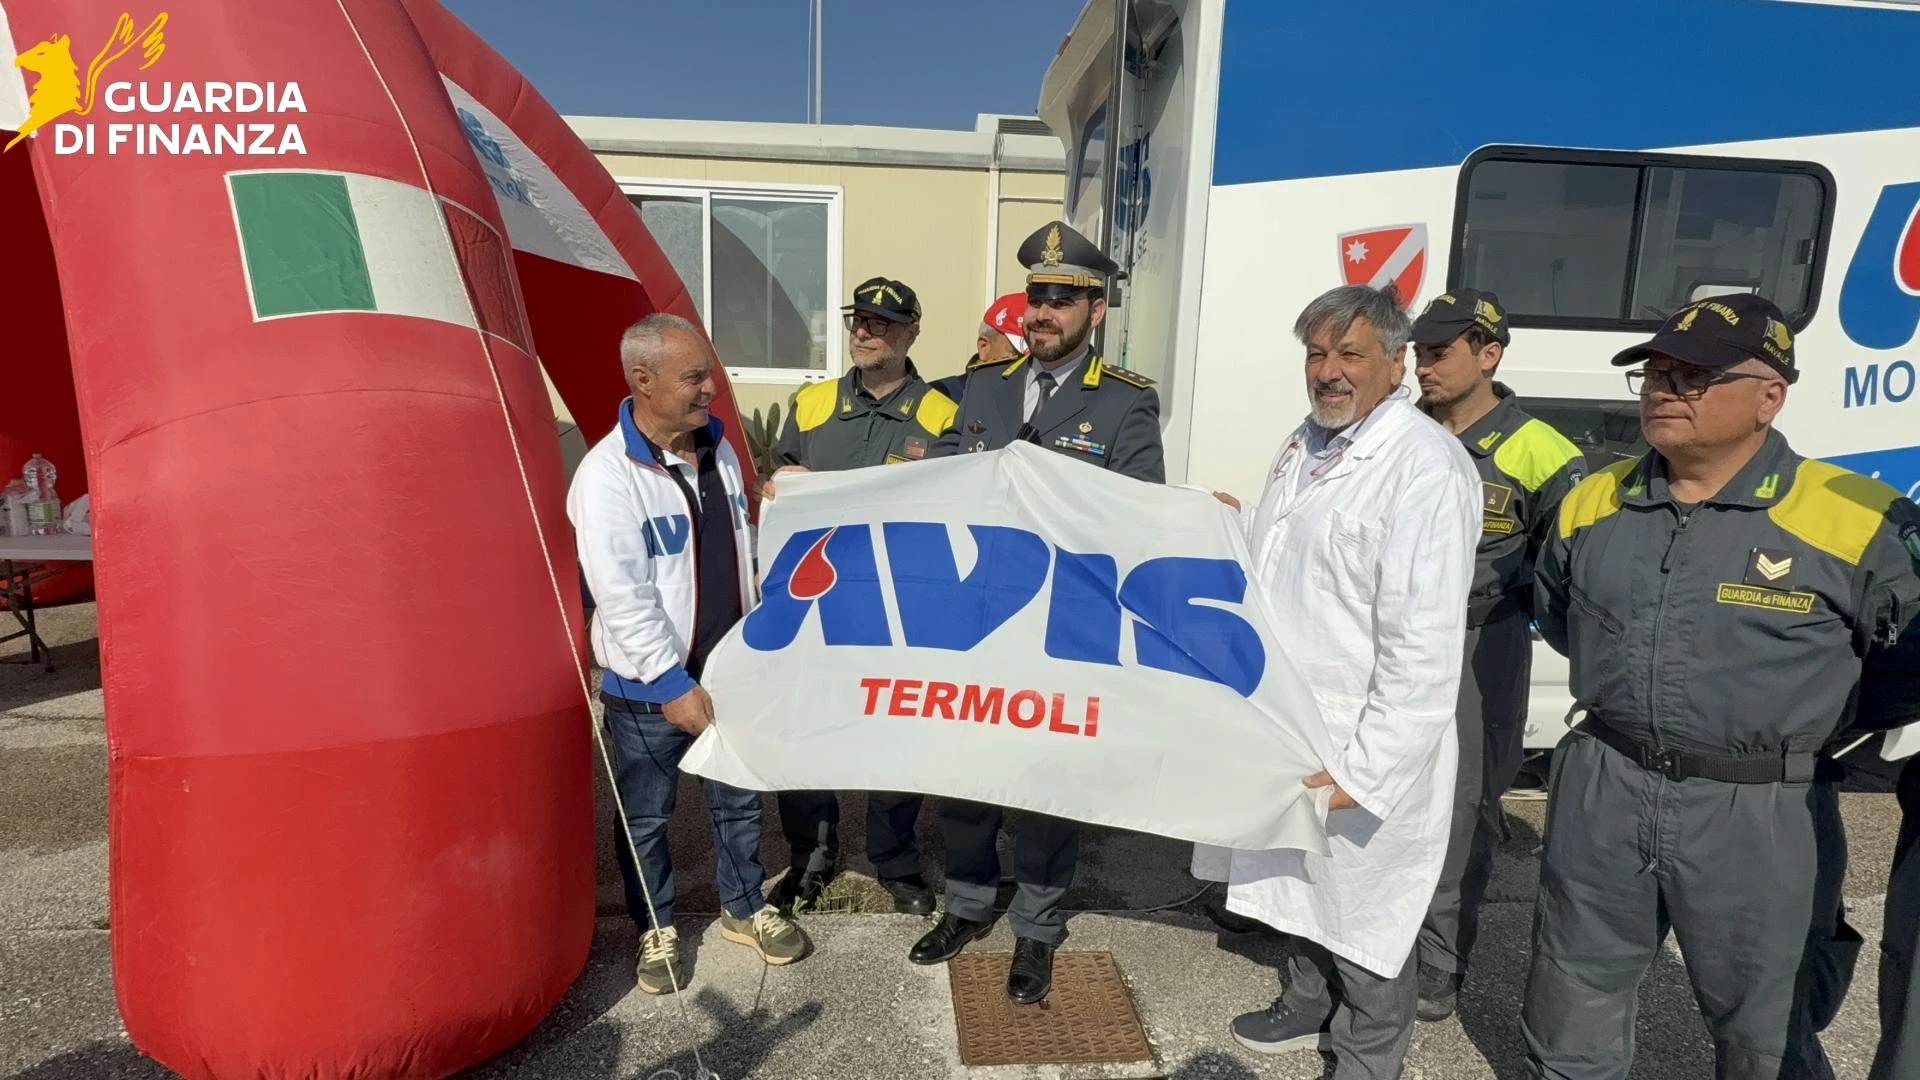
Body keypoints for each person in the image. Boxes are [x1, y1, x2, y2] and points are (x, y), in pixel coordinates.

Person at [1522, 293, 1920, 1078]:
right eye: (1656, 374)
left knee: (1765, 1034)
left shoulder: (1860, 522)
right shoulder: (1592, 502)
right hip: (1606, 784)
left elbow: (1903, 670)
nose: (1665, 390)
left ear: (1769, 396)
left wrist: (1802, 730)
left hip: (1760, 807)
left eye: (1694, 377)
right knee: (1571, 1002)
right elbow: (1564, 619)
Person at [1198, 283, 1479, 1078]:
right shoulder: (1307, 442)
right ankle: (1304, 1003)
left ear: (1396, 362)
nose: (1328, 370)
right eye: (1317, 353)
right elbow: (1291, 559)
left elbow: (1424, 648)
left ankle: (1367, 1056)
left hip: (1364, 736)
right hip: (1293, 718)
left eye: (1350, 353)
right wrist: (1230, 523)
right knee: (1296, 881)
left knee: (1364, 913)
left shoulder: (1425, 469)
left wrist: (1368, 770)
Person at [913, 219, 1164, 1005]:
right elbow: (941, 478)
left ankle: (1038, 927)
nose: (1042, 314)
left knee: (1046, 782)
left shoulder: (1125, 401)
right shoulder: (984, 385)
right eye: (1036, 298)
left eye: (1062, 300)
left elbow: (1139, 511)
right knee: (966, 767)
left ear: (1096, 311)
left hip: (1063, 619)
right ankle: (966, 904)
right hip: (980, 614)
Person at [568, 313, 810, 995]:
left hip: (729, 671)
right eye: (695, 377)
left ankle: (744, 907)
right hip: (649, 691)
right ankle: (656, 926)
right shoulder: (606, 477)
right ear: (642, 380)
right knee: (648, 817)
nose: (711, 389)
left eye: (710, 374)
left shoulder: (721, 449)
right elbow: (622, 596)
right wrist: (671, 683)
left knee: (738, 803)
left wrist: (778, 503)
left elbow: (737, 546)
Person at [1407, 289, 1586, 1021]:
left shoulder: (1543, 451)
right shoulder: (1397, 431)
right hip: (1393, 639)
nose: (1423, 366)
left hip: (1482, 641)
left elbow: (1568, 571)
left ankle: (1438, 961)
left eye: (1438, 352)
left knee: (1464, 804)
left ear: (1489, 355)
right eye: (1418, 351)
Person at [761, 276, 956, 918]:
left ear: (912, 332)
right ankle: (810, 858)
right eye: (858, 321)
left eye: (882, 323)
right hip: (816, 603)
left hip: (900, 607)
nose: (865, 332)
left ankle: (894, 861)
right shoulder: (812, 402)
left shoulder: (942, 414)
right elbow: (778, 482)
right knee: (806, 730)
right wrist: (776, 485)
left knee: (896, 734)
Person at [932, 292, 1026, 403]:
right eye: (1019, 354)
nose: (1030, 365)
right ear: (984, 347)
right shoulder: (941, 397)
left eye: (1036, 357)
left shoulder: (1039, 404)